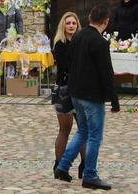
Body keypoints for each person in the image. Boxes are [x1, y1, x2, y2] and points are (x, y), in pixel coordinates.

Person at [54, 4, 119, 190]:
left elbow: (70, 64)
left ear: (89, 17)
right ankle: (90, 174)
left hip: (75, 93)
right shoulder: (100, 42)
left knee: (83, 131)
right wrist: (114, 100)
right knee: (94, 136)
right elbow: (107, 73)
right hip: (92, 96)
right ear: (106, 22)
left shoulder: (78, 37)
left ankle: (63, 166)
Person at [51, 12, 85, 178]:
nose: (71, 25)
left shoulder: (82, 42)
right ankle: (59, 165)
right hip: (65, 89)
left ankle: (85, 165)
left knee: (84, 129)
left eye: (74, 23)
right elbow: (66, 66)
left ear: (78, 25)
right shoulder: (60, 44)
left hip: (81, 89)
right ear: (63, 26)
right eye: (68, 23)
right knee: (65, 129)